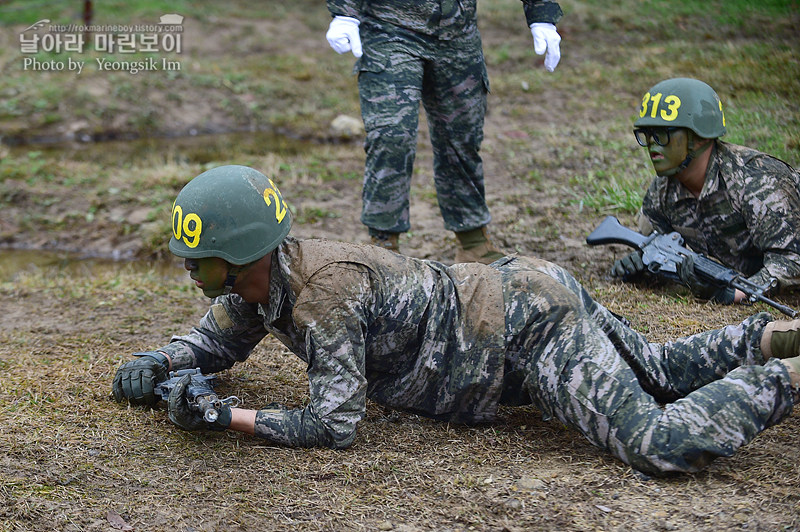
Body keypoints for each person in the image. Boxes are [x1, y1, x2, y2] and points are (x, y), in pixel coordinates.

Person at [113, 165, 800, 476]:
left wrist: (223, 418)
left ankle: (788, 375)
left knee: (657, 442)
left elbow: (335, 424)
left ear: (239, 255)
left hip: (523, 330)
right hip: (521, 293)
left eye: (197, 260)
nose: (187, 269)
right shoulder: (262, 279)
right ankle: (764, 336)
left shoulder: (324, 295)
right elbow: (213, 341)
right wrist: (162, 363)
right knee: (652, 370)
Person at [323, 0, 564, 263]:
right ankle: (384, 248)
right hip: (390, 27)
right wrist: (345, 13)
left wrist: (542, 15)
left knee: (462, 137)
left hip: (457, 34)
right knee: (392, 134)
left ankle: (473, 243)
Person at [612, 77, 800, 303]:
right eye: (648, 135)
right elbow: (657, 246)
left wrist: (735, 294)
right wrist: (641, 265)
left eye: (662, 134)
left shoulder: (759, 182)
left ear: (699, 138)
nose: (652, 144)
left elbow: (792, 262)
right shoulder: (663, 191)